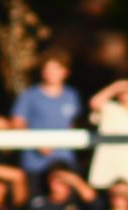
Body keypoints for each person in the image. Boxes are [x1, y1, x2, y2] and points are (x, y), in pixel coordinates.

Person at [10, 48, 82, 185]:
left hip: (65, 162)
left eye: (56, 68)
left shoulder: (72, 96)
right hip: (36, 164)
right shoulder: (29, 95)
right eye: (48, 69)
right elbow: (17, 123)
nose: (51, 73)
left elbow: (74, 124)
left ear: (65, 71)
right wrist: (37, 143)